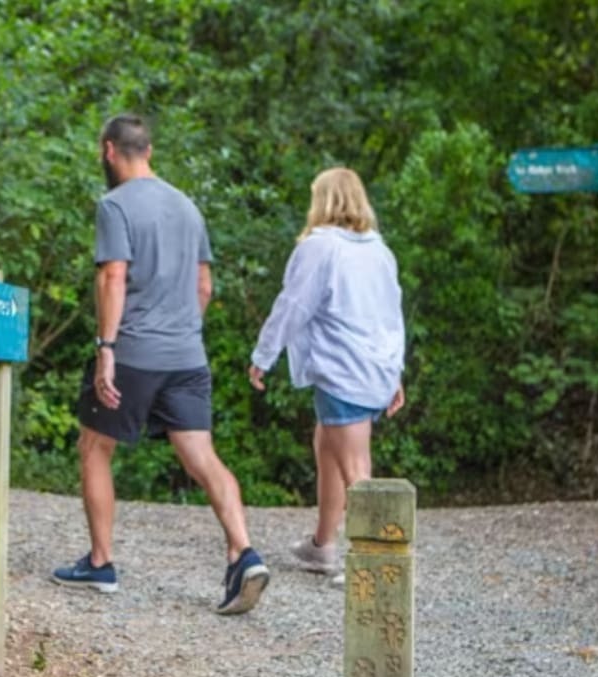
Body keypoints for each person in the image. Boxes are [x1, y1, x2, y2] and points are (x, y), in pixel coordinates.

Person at [51, 113, 270, 615]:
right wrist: (182, 332)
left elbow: (113, 277)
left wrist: (107, 349)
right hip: (187, 354)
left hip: (133, 351)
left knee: (95, 446)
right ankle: (243, 551)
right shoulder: (187, 207)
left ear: (109, 151)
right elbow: (204, 286)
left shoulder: (115, 205)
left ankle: (101, 563)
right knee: (202, 457)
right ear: (148, 150)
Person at [247, 167, 406, 575]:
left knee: (355, 468)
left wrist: (264, 355)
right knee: (327, 445)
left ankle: (374, 563)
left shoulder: (320, 247)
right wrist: (395, 374)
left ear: (323, 200)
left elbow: (293, 306)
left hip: (343, 370)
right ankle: (322, 544)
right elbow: (391, 316)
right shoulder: (379, 250)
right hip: (373, 369)